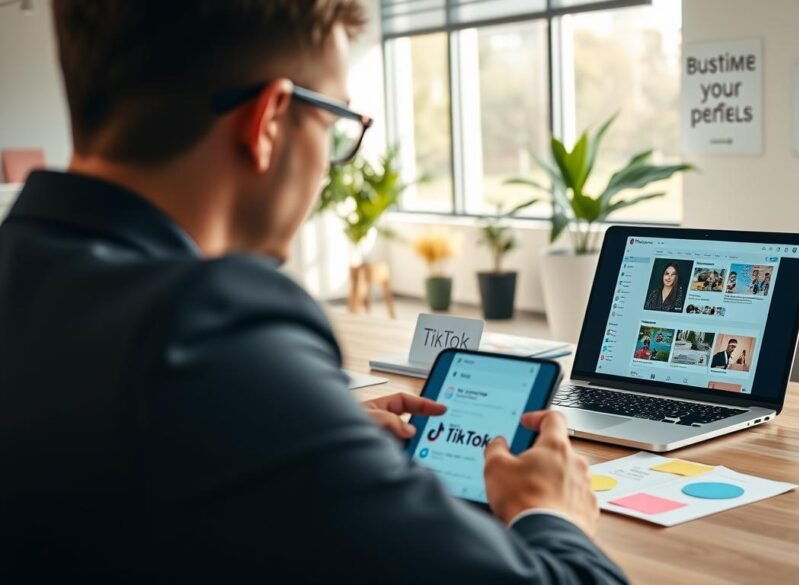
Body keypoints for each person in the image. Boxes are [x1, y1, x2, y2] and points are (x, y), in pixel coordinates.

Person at [0, 2, 626, 583]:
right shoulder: (209, 331)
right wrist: (551, 513)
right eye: (335, 123)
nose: (331, 161)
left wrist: (302, 433)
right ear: (269, 121)